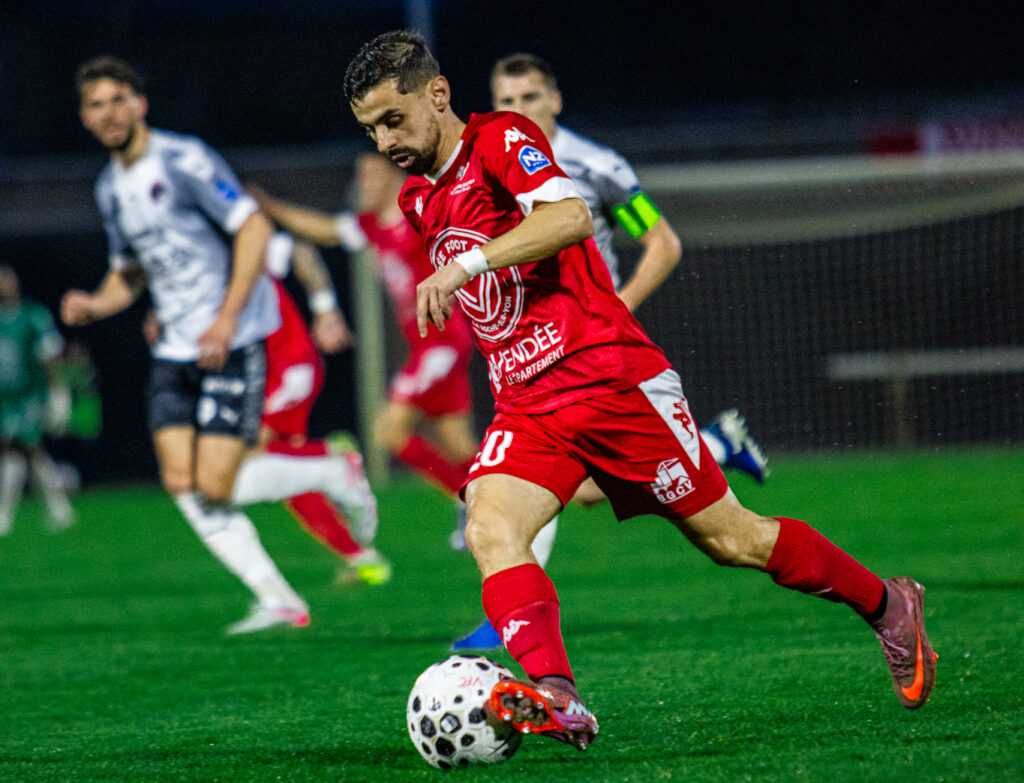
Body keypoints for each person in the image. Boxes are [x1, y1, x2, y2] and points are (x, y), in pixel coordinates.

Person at [343, 30, 936, 751]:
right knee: (489, 526)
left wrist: (467, 267)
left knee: (733, 538)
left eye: (392, 119)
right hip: (529, 403)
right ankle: (558, 695)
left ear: (436, 94)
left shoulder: (503, 139)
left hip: (610, 378)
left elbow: (569, 217)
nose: (384, 140)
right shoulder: (417, 199)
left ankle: (887, 603)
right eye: (370, 128)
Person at [450, 52, 768, 650]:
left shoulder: (599, 166)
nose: (519, 111)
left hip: (592, 352)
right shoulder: (483, 163)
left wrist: (616, 305)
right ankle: (719, 444)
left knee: (573, 489)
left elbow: (662, 242)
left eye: (530, 98)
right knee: (577, 490)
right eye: (506, 101)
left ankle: (507, 619)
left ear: (556, 100)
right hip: (528, 352)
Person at [64, 55, 310, 634]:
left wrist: (225, 320)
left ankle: (333, 470)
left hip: (232, 338)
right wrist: (95, 304)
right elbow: (129, 273)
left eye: (119, 99)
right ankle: (279, 600)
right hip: (175, 349)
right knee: (182, 483)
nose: (110, 113)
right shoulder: (110, 189)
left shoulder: (182, 158)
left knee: (216, 485)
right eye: (97, 105)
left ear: (140, 104)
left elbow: (253, 226)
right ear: (84, 117)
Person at [141, 233, 391, 586]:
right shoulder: (194, 269)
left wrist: (325, 308)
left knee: (247, 450)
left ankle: (335, 456)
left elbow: (301, 249)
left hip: (290, 366)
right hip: (262, 375)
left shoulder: (235, 245)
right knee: (283, 474)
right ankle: (361, 556)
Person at [249, 154, 479, 524]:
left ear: (394, 176)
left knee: (388, 431)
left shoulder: (421, 213)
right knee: (460, 448)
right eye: (361, 176)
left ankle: (469, 501)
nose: (363, 184)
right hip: (427, 345)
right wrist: (272, 207)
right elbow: (324, 229)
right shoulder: (373, 225)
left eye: (371, 175)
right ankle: (497, 502)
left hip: (443, 342)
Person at [0, 265, 76, 534]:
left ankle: (5, 514)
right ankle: (58, 508)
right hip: (4, 398)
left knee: (18, 447)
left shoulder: (32, 315)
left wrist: (59, 393)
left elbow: (50, 355)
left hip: (30, 394)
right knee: (26, 452)